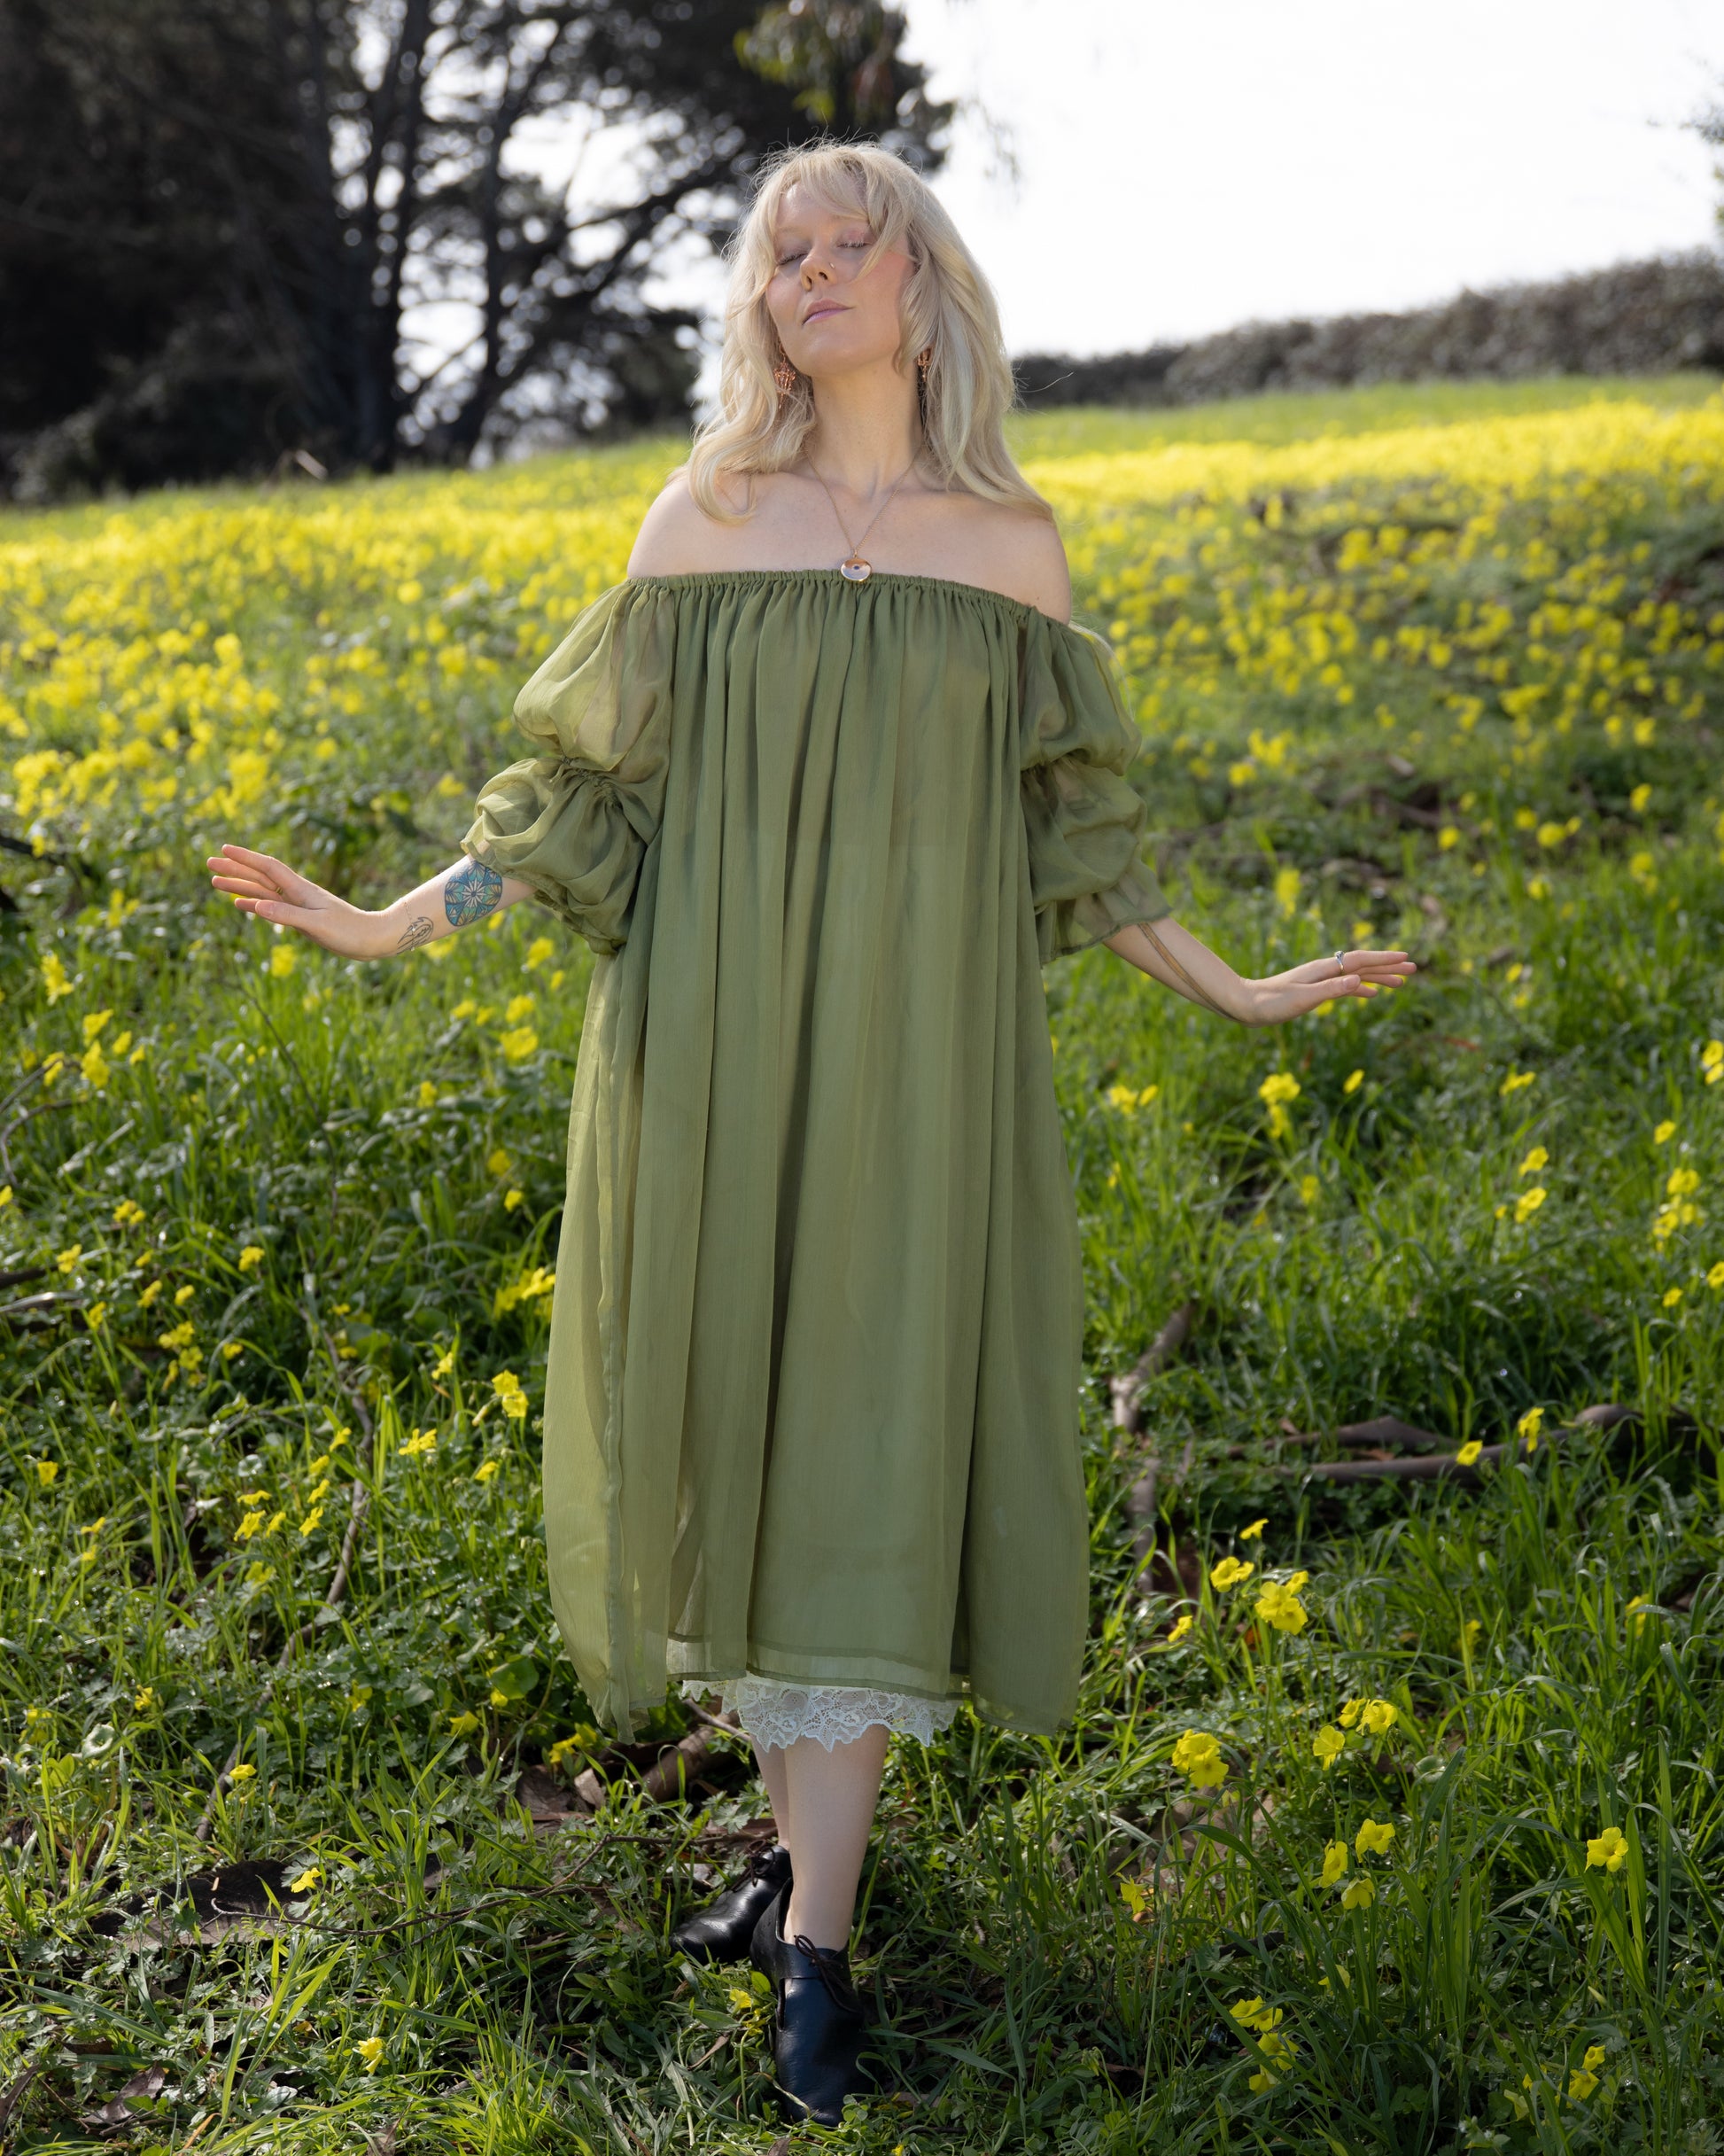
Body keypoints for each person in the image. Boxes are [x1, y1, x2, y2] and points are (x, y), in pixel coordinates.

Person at [209, 141, 1413, 2126]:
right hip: (705, 1040)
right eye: (785, 254)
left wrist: (1241, 988)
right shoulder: (704, 516)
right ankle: (793, 1869)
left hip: (918, 1067)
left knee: (858, 1434)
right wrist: (380, 923)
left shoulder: (1009, 551)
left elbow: (1080, 844)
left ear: (926, 286)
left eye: (854, 244)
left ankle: (817, 1966)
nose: (817, 272)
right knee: (753, 1441)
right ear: (761, 305)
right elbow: (575, 806)